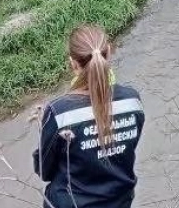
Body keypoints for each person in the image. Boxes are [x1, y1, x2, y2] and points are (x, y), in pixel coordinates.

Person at [34, 25, 145, 208]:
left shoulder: (59, 112)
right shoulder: (132, 101)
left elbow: (44, 170)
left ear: (73, 64)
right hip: (119, 202)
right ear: (108, 53)